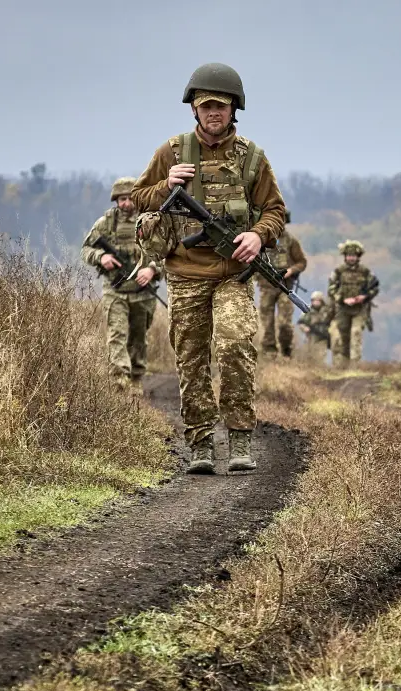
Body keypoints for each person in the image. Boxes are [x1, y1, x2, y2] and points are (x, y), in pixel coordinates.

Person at [129, 62, 288, 474]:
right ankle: (200, 443)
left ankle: (239, 440)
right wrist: (166, 185)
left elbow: (275, 210)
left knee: (235, 345)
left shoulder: (252, 158)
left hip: (233, 274)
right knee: (191, 358)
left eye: (221, 106)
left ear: (234, 109)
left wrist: (258, 236)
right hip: (185, 275)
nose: (213, 113)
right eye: (206, 106)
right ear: (194, 110)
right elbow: (137, 198)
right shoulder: (172, 152)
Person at [80, 176, 163, 388]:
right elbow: (86, 249)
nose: (126, 203)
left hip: (143, 291)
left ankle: (136, 378)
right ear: (116, 200)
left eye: (130, 198)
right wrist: (101, 257)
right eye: (122, 199)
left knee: (138, 337)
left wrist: (152, 269)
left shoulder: (151, 222)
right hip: (115, 290)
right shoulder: (106, 223)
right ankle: (120, 381)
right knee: (116, 334)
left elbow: (168, 254)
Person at [257, 212, 307, 357]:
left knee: (284, 323)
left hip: (285, 287)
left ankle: (286, 351)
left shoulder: (290, 240)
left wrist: (291, 270)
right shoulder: (261, 238)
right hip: (266, 287)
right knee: (266, 323)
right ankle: (269, 353)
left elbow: (302, 262)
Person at [328, 240, 379, 368]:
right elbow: (331, 289)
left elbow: (374, 288)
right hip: (343, 309)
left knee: (356, 333)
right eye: (349, 255)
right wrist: (342, 299)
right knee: (343, 337)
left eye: (354, 256)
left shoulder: (365, 272)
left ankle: (355, 365)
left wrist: (364, 297)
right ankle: (345, 365)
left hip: (360, 309)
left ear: (358, 257)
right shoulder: (338, 272)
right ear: (345, 256)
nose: (351, 258)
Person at [297, 290, 333, 364]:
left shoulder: (327, 310)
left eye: (318, 300)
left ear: (321, 301)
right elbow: (301, 323)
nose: (316, 302)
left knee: (320, 357)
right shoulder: (308, 310)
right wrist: (305, 328)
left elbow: (332, 321)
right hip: (311, 337)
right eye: (314, 300)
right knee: (309, 356)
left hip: (323, 338)